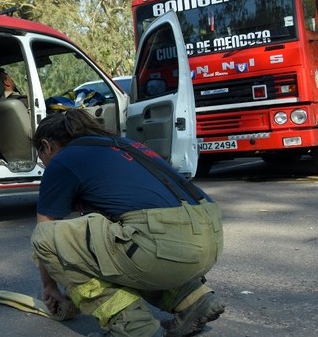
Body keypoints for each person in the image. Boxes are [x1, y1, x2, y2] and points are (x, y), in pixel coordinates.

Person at [30, 109, 225, 337]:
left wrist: (50, 287)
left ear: (46, 145)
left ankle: (133, 327)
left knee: (45, 238)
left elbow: (45, 229)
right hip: (209, 232)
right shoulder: (124, 145)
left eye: (40, 157)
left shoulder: (63, 159)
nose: (43, 164)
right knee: (120, 243)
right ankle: (193, 298)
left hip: (163, 242)